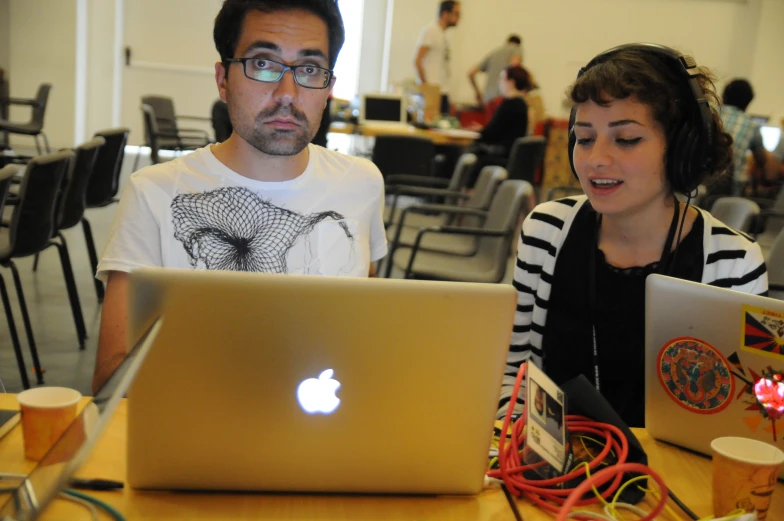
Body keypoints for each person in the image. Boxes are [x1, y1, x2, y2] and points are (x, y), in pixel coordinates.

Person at [92, 0, 388, 393]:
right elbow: (112, 385)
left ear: (329, 87)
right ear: (222, 79)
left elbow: (362, 331)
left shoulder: (362, 183)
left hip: (324, 435)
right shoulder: (154, 193)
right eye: (263, 64)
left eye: (309, 69)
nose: (288, 93)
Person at [500, 44, 768, 427]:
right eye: (585, 137)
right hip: (553, 476)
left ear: (680, 150)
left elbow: (746, 421)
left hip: (676, 481)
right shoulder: (547, 230)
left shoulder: (733, 261)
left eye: (625, 139)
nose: (596, 159)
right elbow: (514, 374)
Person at [466, 65, 531, 186]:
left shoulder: (509, 104)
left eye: (502, 78)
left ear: (511, 82)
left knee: (468, 155)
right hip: (510, 154)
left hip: (501, 155)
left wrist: (480, 132)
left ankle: (465, 195)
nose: (499, 82)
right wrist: (483, 130)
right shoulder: (521, 104)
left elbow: (491, 134)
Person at [718, 79, 769, 195]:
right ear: (748, 103)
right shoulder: (752, 126)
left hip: (698, 182)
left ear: (723, 96)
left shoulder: (711, 113)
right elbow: (762, 161)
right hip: (729, 188)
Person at [413, 1, 461, 115]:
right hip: (432, 90)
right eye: (456, 14)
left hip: (442, 90)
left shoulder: (442, 34)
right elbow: (417, 60)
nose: (459, 18)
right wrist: (427, 89)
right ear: (445, 14)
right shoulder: (431, 31)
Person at [467, 35, 523, 107]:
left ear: (506, 43)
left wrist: (478, 93)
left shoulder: (494, 53)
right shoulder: (516, 48)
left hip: (488, 99)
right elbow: (515, 66)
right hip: (503, 98)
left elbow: (470, 73)